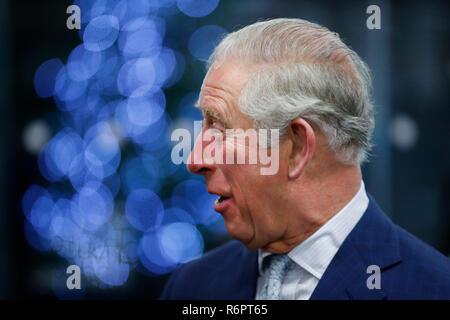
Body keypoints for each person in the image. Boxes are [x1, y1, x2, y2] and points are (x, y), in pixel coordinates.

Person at [160, 18, 450, 300]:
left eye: (220, 129)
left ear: (297, 147)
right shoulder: (191, 285)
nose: (195, 160)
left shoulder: (433, 289)